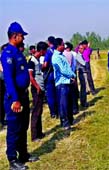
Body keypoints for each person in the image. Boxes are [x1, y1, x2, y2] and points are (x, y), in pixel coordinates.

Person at [2, 21, 39, 170]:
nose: (23, 39)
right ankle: (13, 160)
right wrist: (15, 99)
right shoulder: (8, 54)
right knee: (14, 129)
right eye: (22, 36)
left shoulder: (18, 53)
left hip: (23, 96)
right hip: (14, 98)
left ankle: (23, 154)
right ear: (15, 36)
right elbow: (9, 79)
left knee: (23, 127)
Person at [52, 38, 76, 130]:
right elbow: (63, 70)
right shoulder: (56, 57)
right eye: (63, 44)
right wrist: (72, 75)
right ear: (58, 46)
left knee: (69, 102)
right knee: (63, 104)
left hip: (67, 82)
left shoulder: (62, 55)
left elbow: (68, 68)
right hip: (61, 83)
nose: (64, 46)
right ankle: (65, 123)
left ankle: (70, 120)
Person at [28, 42, 48, 142]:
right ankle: (34, 135)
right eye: (45, 50)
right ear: (41, 50)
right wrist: (37, 87)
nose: (46, 52)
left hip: (41, 88)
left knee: (40, 110)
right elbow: (30, 76)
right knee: (36, 111)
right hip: (37, 89)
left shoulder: (37, 61)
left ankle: (39, 133)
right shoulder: (32, 61)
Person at [43, 36, 58, 119]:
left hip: (49, 75)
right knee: (56, 93)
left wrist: (42, 68)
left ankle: (53, 112)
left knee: (50, 95)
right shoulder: (56, 50)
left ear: (49, 42)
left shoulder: (49, 51)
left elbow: (45, 64)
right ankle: (58, 110)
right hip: (56, 74)